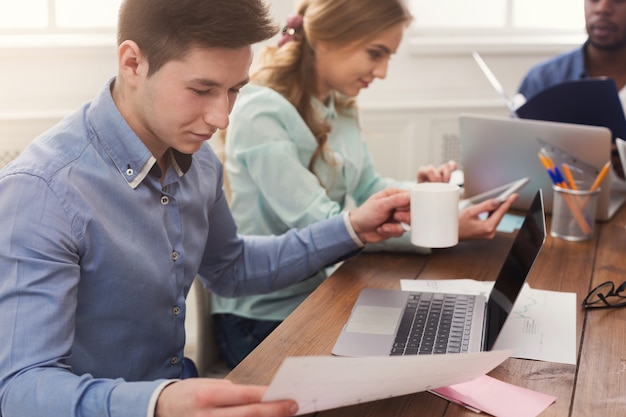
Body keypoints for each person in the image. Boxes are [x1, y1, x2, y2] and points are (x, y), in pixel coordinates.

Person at [0, 0, 415, 416]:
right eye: (201, 90)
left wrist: (352, 229)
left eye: (234, 90)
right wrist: (156, 404)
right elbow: (20, 389)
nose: (222, 117)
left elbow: (231, 269)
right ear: (132, 63)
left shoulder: (198, 161)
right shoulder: (40, 192)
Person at [211, 0, 518, 368]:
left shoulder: (337, 101)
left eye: (388, 56)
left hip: (324, 290)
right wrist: (436, 226)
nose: (384, 71)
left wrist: (420, 193)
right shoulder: (262, 111)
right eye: (376, 53)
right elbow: (321, 224)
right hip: (263, 319)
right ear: (324, 39)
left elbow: (369, 184)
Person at [518, 0, 626, 177]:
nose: (602, 9)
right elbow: (515, 156)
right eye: (593, 0)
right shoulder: (543, 77)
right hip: (559, 199)